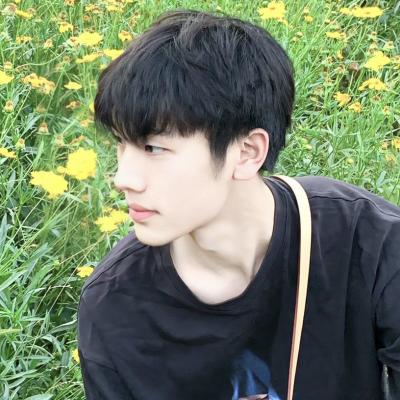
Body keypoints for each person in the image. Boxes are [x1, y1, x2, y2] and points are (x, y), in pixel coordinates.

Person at [77, 8, 400, 400]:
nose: (123, 178)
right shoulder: (114, 306)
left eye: (153, 148)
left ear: (247, 152)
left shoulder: (366, 240)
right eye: (121, 143)